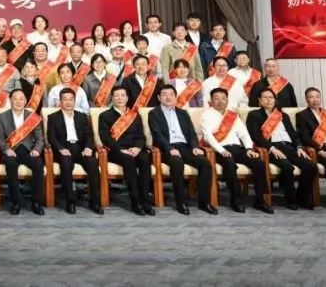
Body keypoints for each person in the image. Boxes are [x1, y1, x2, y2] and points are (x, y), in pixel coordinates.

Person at [147, 85, 217, 215]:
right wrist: (169, 148)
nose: (168, 97)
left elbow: (191, 133)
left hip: (185, 147)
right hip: (166, 149)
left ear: (175, 97)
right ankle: (181, 202)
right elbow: (157, 135)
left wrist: (195, 147)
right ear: (159, 97)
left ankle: (204, 202)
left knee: (205, 164)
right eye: (164, 94)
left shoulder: (183, 113)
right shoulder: (154, 113)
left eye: (171, 94)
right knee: (177, 163)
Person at [200, 88, 270, 214]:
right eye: (216, 98)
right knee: (230, 163)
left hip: (237, 148)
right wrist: (221, 150)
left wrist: (249, 148)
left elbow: (244, 134)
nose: (220, 101)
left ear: (227, 100)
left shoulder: (232, 115)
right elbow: (208, 137)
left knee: (258, 163)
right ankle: (236, 199)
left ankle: (260, 200)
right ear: (211, 100)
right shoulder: (206, 115)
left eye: (223, 98)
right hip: (219, 150)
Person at [246, 88, 317, 210]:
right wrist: (271, 148)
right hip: (271, 148)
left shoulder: (283, 115)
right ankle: (291, 200)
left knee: (310, 166)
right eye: (265, 97)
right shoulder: (254, 115)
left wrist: (299, 147)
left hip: (289, 147)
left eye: (271, 98)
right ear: (259, 100)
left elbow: (293, 134)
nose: (268, 100)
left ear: (275, 100)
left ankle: (301, 197)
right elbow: (256, 136)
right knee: (287, 167)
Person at [98, 87, 155, 216]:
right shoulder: (104, 116)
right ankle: (135, 201)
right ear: (112, 98)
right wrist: (121, 149)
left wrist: (138, 147)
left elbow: (141, 136)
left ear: (127, 98)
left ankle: (145, 200)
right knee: (128, 160)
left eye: (122, 95)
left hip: (135, 149)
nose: (119, 98)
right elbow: (105, 138)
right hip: (116, 150)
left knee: (145, 158)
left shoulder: (135, 115)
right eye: (116, 96)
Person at [46, 89, 101, 214]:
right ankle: (70, 201)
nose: (68, 102)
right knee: (66, 165)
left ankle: (94, 201)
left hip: (80, 149)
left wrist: (88, 148)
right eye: (65, 99)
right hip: (64, 149)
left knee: (93, 164)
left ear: (74, 101)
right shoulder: (53, 117)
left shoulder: (82, 116)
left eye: (71, 99)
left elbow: (89, 136)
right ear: (60, 101)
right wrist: (61, 149)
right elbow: (51, 137)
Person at [0, 89, 46, 215]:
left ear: (25, 101)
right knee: (11, 165)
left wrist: (36, 150)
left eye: (21, 99)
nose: (18, 101)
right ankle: (16, 202)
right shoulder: (2, 116)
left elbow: (40, 138)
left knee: (38, 164)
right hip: (11, 151)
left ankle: (36, 202)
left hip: (29, 151)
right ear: (10, 100)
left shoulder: (33, 117)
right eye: (15, 99)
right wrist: (6, 149)